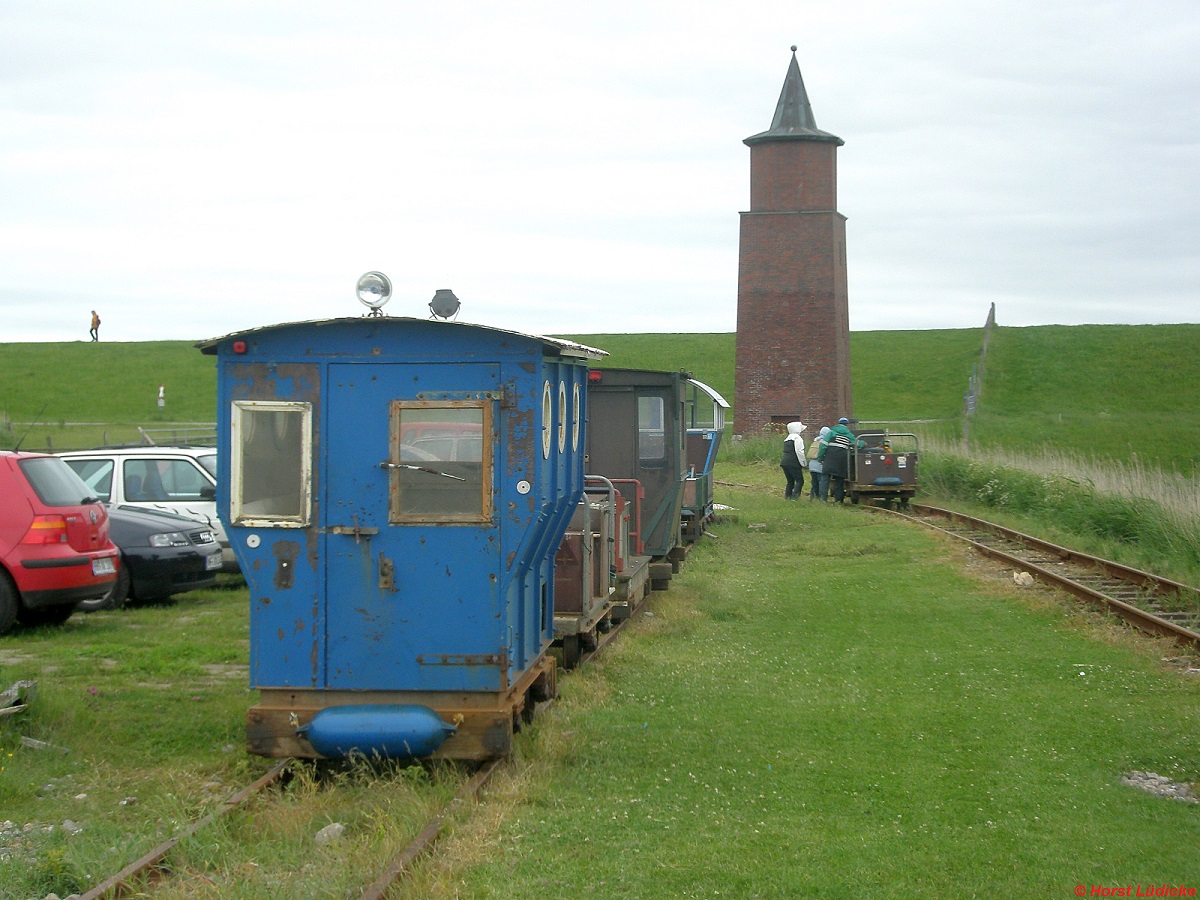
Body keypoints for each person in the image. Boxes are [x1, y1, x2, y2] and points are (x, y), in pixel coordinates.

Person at [818, 417, 860, 504]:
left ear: (838, 423)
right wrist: (864, 443)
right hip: (841, 460)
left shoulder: (831, 432)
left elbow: (823, 446)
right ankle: (839, 501)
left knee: (825, 478)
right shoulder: (849, 435)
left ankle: (822, 499)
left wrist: (821, 458)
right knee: (839, 481)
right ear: (847, 425)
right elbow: (857, 444)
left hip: (829, 458)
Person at [779, 421, 807, 500]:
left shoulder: (787, 439)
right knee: (799, 480)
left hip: (784, 462)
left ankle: (787, 497)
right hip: (793, 462)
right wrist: (804, 463)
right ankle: (795, 498)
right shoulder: (797, 438)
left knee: (790, 481)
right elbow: (799, 452)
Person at [807, 425, 831, 501]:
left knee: (814, 484)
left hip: (811, 466)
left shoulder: (815, 440)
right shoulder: (825, 442)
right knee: (822, 484)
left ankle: (813, 498)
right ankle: (822, 499)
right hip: (820, 466)